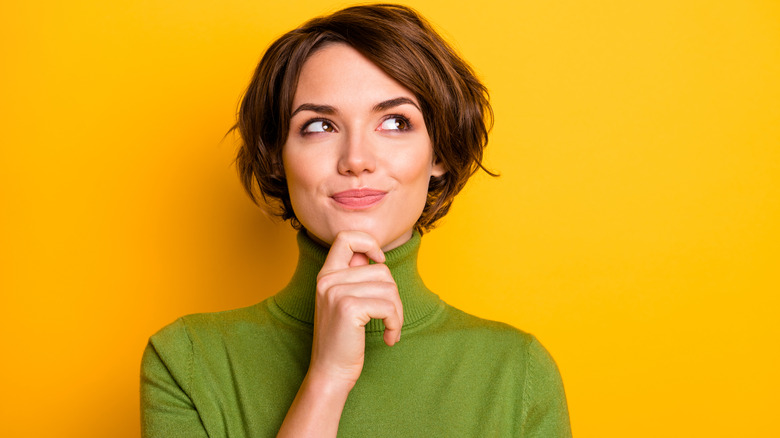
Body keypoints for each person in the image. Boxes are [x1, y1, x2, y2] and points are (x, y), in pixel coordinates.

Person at [141, 4, 571, 437]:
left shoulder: (517, 372)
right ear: (278, 157)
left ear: (438, 152)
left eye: (395, 122)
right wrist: (327, 379)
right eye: (319, 126)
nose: (356, 161)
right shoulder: (189, 361)